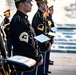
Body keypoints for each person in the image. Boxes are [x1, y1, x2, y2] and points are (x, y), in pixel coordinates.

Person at [10, 0, 42, 75]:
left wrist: (38, 54)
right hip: (24, 62)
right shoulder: (18, 20)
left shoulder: (24, 19)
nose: (31, 4)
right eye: (28, 2)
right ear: (21, 4)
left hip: (29, 61)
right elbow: (24, 45)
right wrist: (37, 57)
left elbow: (32, 40)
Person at [32, 0, 51, 75]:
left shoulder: (41, 16)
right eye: (45, 3)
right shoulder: (38, 17)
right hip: (40, 45)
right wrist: (47, 43)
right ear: (40, 4)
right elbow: (39, 34)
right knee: (39, 70)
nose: (46, 5)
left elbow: (44, 32)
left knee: (42, 68)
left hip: (43, 45)